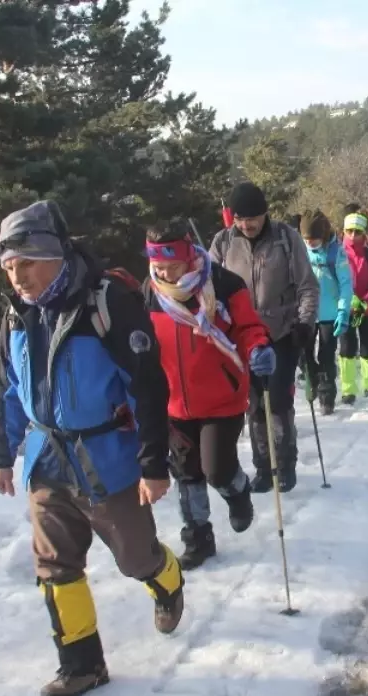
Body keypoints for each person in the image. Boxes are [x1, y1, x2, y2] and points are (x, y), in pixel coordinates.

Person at [0, 200, 182, 696]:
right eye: (9, 267)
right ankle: (82, 665)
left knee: (135, 558)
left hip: (109, 460)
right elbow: (9, 388)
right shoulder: (16, 316)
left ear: (55, 255)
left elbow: (146, 387)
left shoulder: (108, 303)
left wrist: (153, 463)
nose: (18, 277)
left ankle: (164, 578)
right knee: (54, 567)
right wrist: (2, 452)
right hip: (46, 457)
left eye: (27, 263)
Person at [143, 221, 274, 570]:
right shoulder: (151, 292)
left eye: (172, 265)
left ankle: (238, 491)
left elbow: (248, 327)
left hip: (222, 397)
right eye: (159, 267)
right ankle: (198, 537)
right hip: (173, 402)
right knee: (187, 474)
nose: (166, 273)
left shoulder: (224, 285)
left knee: (216, 469)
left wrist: (259, 348)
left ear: (189, 257)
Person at [208, 182, 319, 494]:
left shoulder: (286, 238)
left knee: (279, 401)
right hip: (240, 337)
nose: (247, 225)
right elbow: (208, 287)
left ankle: (285, 463)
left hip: (281, 332)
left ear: (265, 214)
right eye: (240, 219)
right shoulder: (223, 242)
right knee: (254, 405)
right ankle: (263, 467)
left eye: (252, 218)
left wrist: (305, 322)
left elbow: (307, 286)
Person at [299, 210, 352, 415]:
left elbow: (346, 284)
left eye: (314, 239)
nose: (311, 243)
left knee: (327, 355)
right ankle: (311, 379)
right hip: (306, 313)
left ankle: (327, 395)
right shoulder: (300, 252)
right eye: (307, 239)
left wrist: (343, 311)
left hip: (330, 313)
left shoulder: (335, 253)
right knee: (304, 355)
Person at [339, 212, 368, 403]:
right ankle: (348, 389)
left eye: (357, 232)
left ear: (364, 233)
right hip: (346, 309)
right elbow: (335, 282)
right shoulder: (338, 252)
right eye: (349, 231)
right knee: (346, 348)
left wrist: (365, 302)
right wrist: (349, 301)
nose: (352, 236)